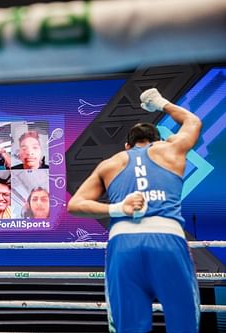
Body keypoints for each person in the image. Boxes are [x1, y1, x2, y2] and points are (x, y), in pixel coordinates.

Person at [67, 88, 202, 332]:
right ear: (158, 140)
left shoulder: (111, 163)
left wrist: (118, 208)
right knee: (184, 323)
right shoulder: (170, 150)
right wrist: (159, 102)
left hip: (123, 244)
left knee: (128, 327)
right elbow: (193, 121)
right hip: (167, 241)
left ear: (127, 145)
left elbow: (75, 205)